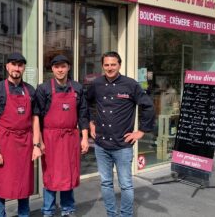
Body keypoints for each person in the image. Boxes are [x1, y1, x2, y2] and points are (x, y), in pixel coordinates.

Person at [87, 51, 154, 217]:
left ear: (119, 65)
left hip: (123, 146)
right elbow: (85, 103)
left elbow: (148, 106)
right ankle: (111, 214)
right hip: (101, 145)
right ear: (102, 66)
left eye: (113, 64)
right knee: (106, 183)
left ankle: (126, 215)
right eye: (106, 65)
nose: (110, 68)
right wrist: (90, 123)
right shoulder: (96, 84)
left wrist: (141, 131)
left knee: (126, 185)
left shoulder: (130, 85)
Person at [0, 53, 42, 217]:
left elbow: (35, 119)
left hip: (25, 142)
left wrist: (36, 145)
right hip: (4, 143)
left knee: (23, 184)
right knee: (1, 184)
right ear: (7, 67)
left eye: (20, 65)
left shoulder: (30, 90)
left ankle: (24, 215)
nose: (16, 68)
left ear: (23, 68)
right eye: (13, 64)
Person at [34, 55, 90, 217]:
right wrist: (40, 142)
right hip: (50, 138)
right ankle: (48, 210)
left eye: (63, 66)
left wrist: (84, 138)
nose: (60, 70)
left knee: (69, 175)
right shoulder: (43, 89)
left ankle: (68, 209)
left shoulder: (78, 88)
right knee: (50, 176)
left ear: (68, 68)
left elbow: (83, 115)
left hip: (71, 137)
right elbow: (37, 117)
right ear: (52, 69)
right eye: (56, 67)